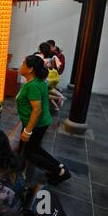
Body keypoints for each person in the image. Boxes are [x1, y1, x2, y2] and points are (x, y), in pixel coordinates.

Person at [16, 55, 70, 185]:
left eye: (23, 64)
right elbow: (43, 96)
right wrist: (57, 98)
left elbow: (37, 110)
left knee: (30, 153)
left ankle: (58, 171)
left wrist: (27, 131)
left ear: (30, 69)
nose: (21, 66)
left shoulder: (32, 86)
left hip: (36, 123)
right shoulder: (39, 82)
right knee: (34, 149)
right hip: (39, 122)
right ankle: (60, 167)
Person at [36, 42, 66, 110]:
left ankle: (59, 98)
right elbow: (51, 68)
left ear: (40, 50)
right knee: (43, 94)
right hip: (46, 79)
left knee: (42, 95)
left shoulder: (39, 58)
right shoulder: (49, 59)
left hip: (40, 80)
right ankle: (57, 102)